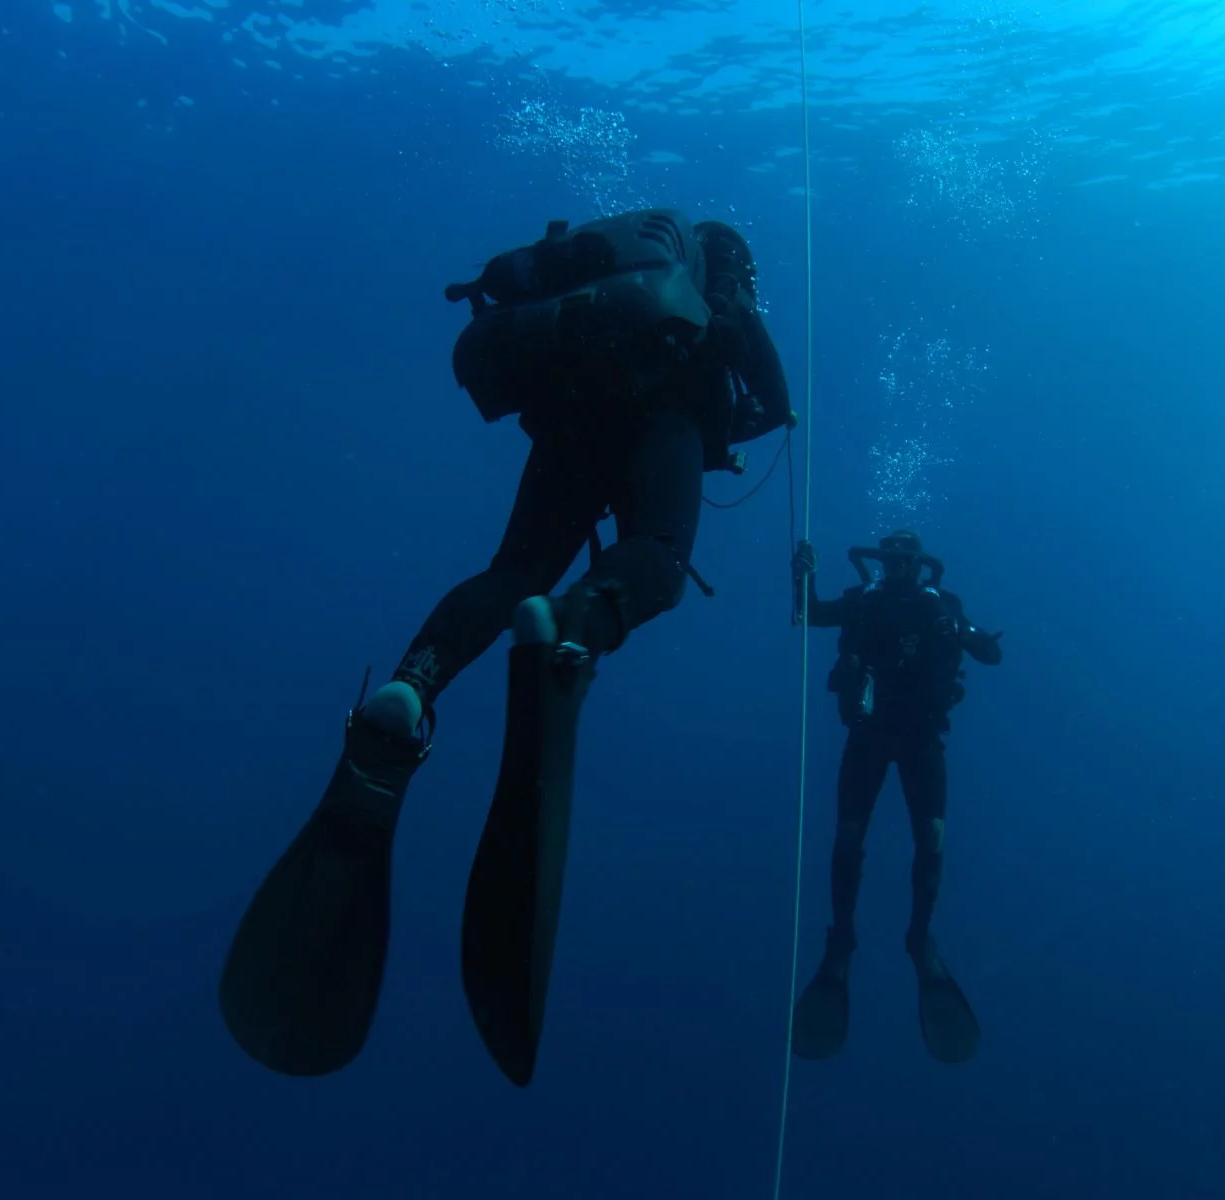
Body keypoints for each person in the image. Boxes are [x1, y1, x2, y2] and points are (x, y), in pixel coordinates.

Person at [219, 209, 792, 1087]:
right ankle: (574, 632)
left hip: (570, 414)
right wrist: (743, 414)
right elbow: (772, 393)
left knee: (512, 569)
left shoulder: (602, 277)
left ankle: (412, 687)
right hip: (659, 414)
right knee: (661, 564)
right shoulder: (719, 287)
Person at [789, 530, 1003, 1064]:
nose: (902, 567)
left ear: (919, 564)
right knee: (848, 837)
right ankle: (841, 942)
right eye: (894, 559)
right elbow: (810, 614)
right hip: (869, 735)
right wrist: (803, 576)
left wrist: (970, 633)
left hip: (921, 738)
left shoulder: (942, 607)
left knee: (931, 839)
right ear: (883, 562)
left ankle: (920, 938)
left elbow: (989, 653)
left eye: (909, 560)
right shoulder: (864, 602)